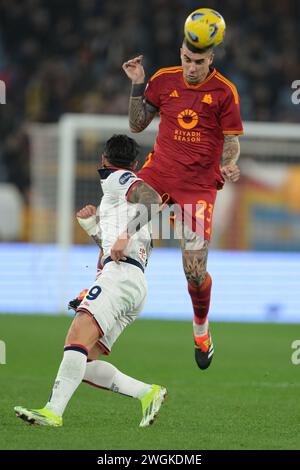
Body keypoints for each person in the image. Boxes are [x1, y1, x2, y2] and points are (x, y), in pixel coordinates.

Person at [14, 134, 167, 428]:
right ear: (135, 162)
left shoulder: (116, 179)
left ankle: (53, 412)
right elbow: (115, 249)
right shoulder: (126, 205)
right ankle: (147, 393)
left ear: (103, 160)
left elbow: (153, 199)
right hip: (134, 284)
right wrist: (94, 228)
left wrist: (122, 236)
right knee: (82, 359)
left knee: (75, 338)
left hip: (119, 276)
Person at [120, 38, 244, 370]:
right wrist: (136, 85)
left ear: (211, 60)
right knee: (128, 203)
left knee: (194, 271)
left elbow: (231, 140)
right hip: (159, 173)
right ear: (180, 55)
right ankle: (108, 267)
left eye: (198, 62)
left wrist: (228, 164)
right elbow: (136, 124)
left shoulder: (224, 92)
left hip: (198, 187)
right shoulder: (162, 80)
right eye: (187, 59)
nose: (191, 67)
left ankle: (201, 331)